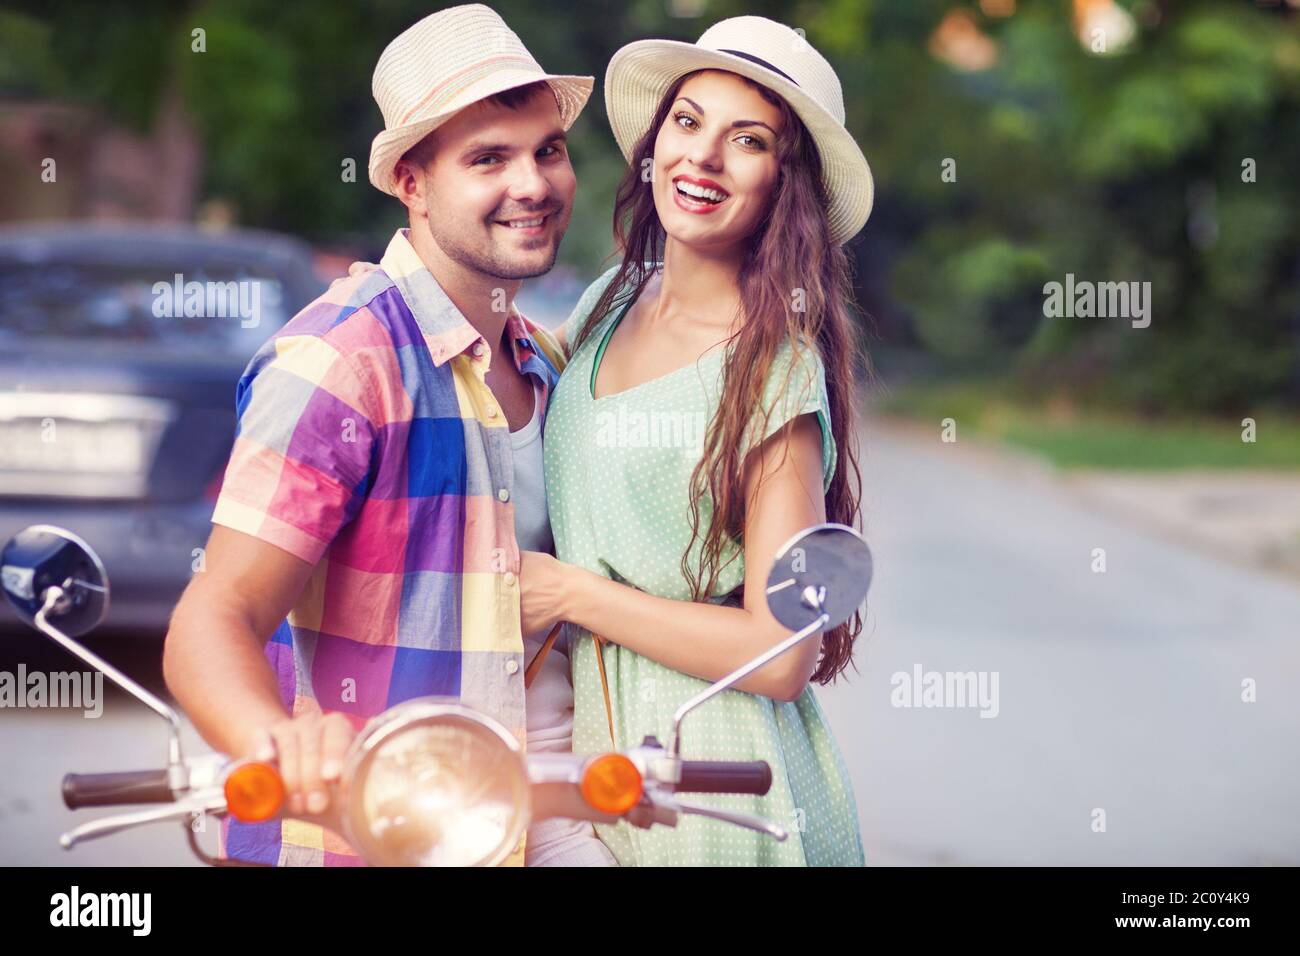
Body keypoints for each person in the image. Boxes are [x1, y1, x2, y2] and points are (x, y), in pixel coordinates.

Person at [162, 4, 614, 867]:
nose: (534, 184)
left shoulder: (549, 363)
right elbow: (214, 614)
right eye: (489, 158)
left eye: (547, 150)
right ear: (411, 181)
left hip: (528, 825)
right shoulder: (340, 363)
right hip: (364, 839)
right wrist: (278, 742)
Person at [519, 15, 874, 865]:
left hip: (709, 778)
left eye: (745, 140)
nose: (702, 159)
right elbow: (501, 374)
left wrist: (572, 596)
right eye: (687, 122)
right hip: (592, 757)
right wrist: (393, 302)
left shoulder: (772, 372)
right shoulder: (609, 300)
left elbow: (783, 653)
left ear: (784, 185)